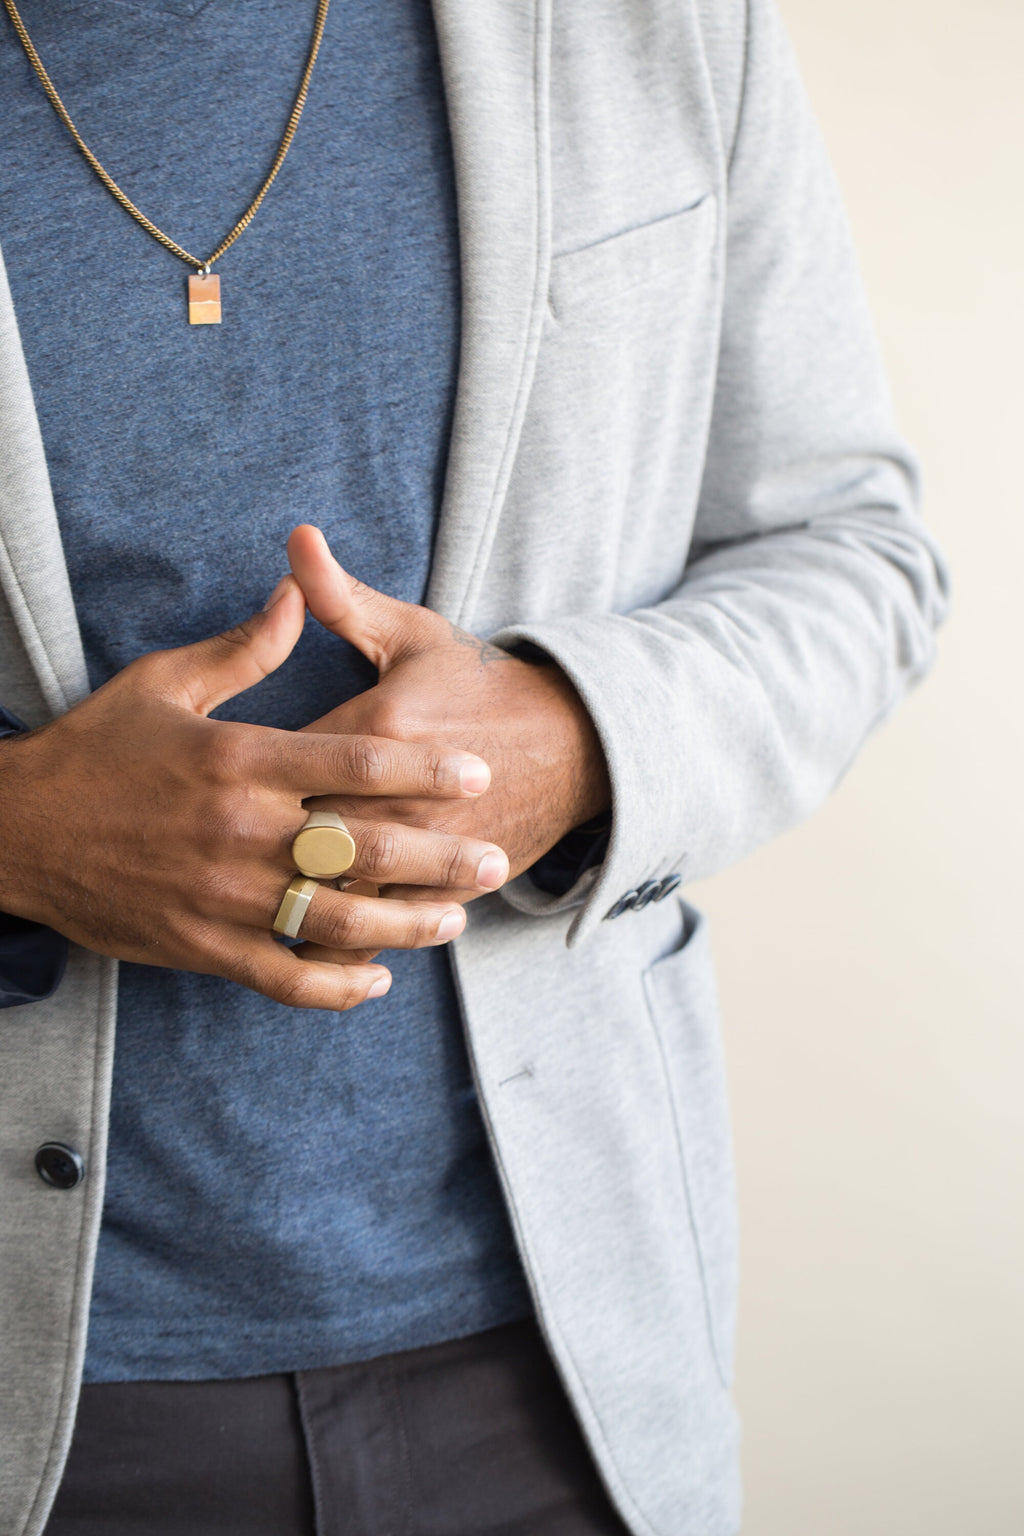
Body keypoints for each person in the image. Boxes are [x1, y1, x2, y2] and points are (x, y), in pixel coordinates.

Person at [0, 0, 948, 1532]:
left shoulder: (655, 26)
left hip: (561, 1369)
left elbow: (847, 551)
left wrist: (581, 735)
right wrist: (15, 838)